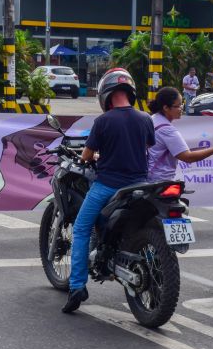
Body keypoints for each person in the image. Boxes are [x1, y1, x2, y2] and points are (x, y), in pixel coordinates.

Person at [62, 68, 155, 314]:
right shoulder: (145, 119)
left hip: (108, 186)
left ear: (107, 94)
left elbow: (87, 156)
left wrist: (96, 155)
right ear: (130, 92)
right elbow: (144, 147)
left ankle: (77, 286)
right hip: (140, 185)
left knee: (81, 229)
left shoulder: (103, 121)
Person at [147, 87, 213, 181]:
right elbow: (188, 157)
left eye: (182, 104)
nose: (181, 108)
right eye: (178, 106)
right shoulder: (167, 129)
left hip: (149, 176)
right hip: (160, 180)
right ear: (166, 108)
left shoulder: (153, 119)